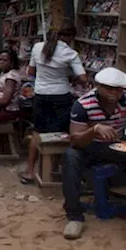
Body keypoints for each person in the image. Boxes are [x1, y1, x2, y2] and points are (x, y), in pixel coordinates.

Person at [61, 67, 126, 240]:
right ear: (98, 86)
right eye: (108, 88)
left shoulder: (124, 102)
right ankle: (74, 216)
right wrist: (94, 130)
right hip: (88, 147)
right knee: (70, 156)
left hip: (116, 147)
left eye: (118, 89)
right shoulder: (83, 105)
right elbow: (75, 140)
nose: (113, 93)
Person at [20, 23, 88, 184]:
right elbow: (84, 79)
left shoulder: (37, 47)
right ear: (70, 38)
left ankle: (30, 171)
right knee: (61, 134)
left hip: (41, 95)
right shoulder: (70, 53)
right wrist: (68, 73)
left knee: (37, 132)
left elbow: (30, 72)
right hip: (60, 96)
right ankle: (55, 170)